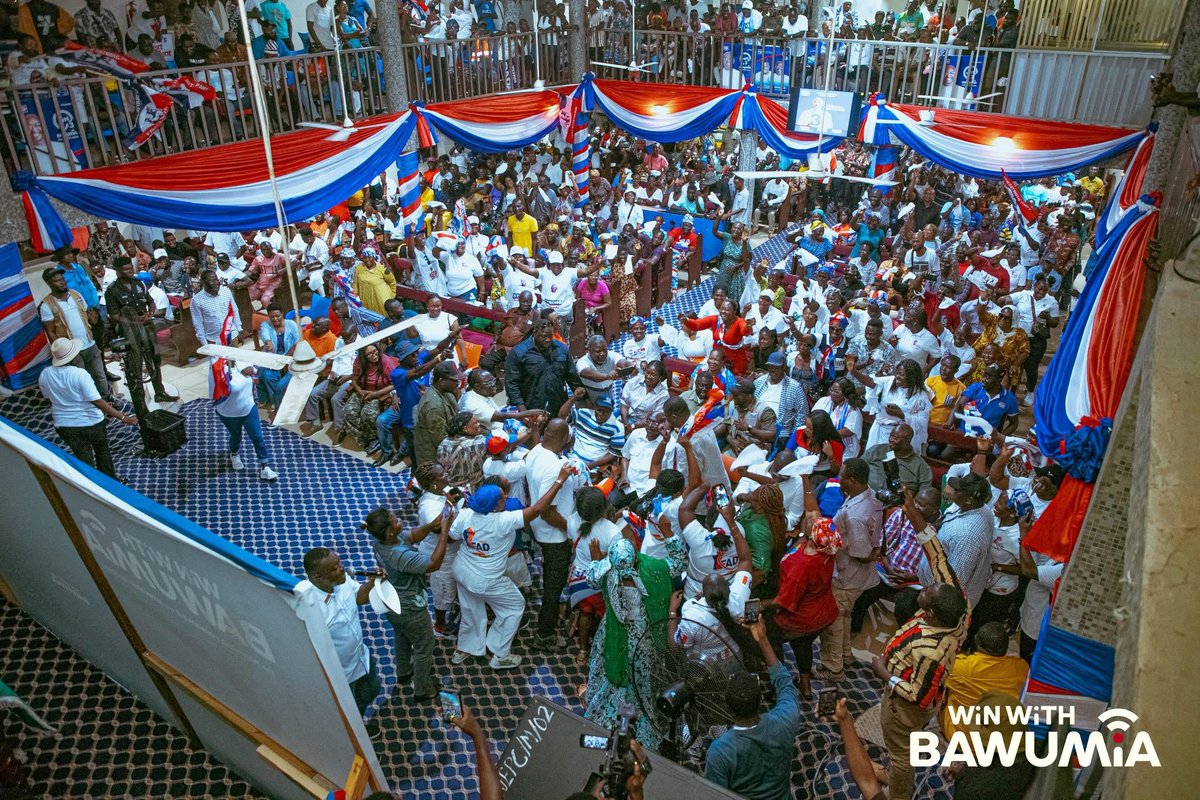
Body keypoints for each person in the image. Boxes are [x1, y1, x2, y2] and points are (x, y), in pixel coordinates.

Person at [870, 487, 971, 800]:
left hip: (905, 706)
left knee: (901, 754)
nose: (929, 586)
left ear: (929, 613)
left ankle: (898, 790)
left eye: (928, 592)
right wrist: (913, 515)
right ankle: (895, 769)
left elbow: (920, 694)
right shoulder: (958, 606)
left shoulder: (933, 651)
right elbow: (938, 556)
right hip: (908, 681)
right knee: (902, 747)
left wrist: (885, 675)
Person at [450, 470, 574, 669]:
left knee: (471, 610)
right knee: (514, 606)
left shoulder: (465, 514)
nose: (505, 498)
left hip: (461, 571)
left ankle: (465, 648)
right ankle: (500, 653)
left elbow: (453, 535)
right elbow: (538, 509)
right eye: (502, 497)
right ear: (495, 504)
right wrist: (559, 480)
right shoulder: (503, 521)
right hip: (486, 579)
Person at [583, 534, 686, 749]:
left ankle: (608, 715)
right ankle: (641, 724)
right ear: (636, 557)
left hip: (613, 632)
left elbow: (590, 577)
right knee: (642, 678)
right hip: (643, 637)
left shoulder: (606, 571)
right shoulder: (654, 570)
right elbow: (679, 561)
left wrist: (596, 559)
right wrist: (669, 534)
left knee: (610, 671)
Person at [704, 615, 802, 800]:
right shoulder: (786, 720)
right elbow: (784, 681)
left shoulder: (719, 752)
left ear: (728, 707)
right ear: (760, 701)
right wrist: (763, 640)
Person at [364, 506, 450, 701]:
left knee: (402, 636)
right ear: (389, 531)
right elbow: (433, 564)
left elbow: (410, 536)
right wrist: (443, 531)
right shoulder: (399, 556)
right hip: (410, 608)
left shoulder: (381, 539)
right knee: (424, 646)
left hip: (391, 601)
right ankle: (423, 689)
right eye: (395, 521)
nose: (399, 521)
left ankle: (403, 671)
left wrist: (432, 525)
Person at [762, 488, 841, 699]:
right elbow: (813, 512)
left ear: (814, 536)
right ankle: (806, 687)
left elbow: (783, 602)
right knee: (803, 642)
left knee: (768, 637)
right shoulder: (827, 550)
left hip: (800, 617)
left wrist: (761, 605)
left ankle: (779, 683)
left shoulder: (802, 566)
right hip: (822, 613)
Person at [815, 458, 882, 684]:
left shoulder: (857, 515)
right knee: (844, 616)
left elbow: (861, 553)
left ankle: (833, 668)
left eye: (842, 475)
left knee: (833, 620)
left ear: (852, 480)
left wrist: (871, 553)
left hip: (848, 575)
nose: (838, 478)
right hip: (854, 575)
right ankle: (845, 656)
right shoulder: (870, 496)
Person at [296, 548, 382, 724]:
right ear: (318, 577)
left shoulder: (343, 582)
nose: (342, 568)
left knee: (372, 690)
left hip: (362, 658)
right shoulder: (310, 608)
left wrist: (372, 583)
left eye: (340, 563)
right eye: (334, 568)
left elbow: (358, 597)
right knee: (347, 715)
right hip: (341, 677)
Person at [524, 417, 585, 652]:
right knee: (553, 586)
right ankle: (544, 634)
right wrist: (572, 531)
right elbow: (548, 513)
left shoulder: (537, 449)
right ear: (562, 439)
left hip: (541, 530)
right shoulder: (554, 469)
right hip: (555, 536)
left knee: (551, 581)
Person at [38, 338, 137, 480]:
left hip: (64, 426)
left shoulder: (45, 374)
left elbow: (48, 398)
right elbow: (97, 401)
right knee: (102, 452)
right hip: (91, 423)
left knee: (84, 460)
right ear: (75, 356)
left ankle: (92, 488)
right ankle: (111, 484)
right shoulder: (79, 374)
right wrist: (123, 417)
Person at [105, 257, 178, 404]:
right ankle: (140, 403)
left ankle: (160, 392)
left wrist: (149, 315)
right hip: (129, 333)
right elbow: (114, 316)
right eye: (126, 269)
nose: (130, 271)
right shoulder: (112, 291)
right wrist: (134, 322)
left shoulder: (139, 284)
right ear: (118, 272)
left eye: (130, 268)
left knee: (154, 361)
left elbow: (150, 302)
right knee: (135, 367)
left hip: (147, 328)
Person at [938, 621, 1029, 738]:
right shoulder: (1021, 667)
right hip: (999, 738)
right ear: (1006, 648)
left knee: (942, 687)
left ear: (976, 641)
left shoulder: (960, 667)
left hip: (962, 737)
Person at [38, 267, 110, 400]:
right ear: (49, 283)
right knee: (83, 381)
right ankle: (92, 406)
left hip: (89, 343)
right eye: (57, 281)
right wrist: (63, 353)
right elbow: (50, 332)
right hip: (72, 350)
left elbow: (87, 315)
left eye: (62, 279)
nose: (62, 282)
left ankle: (107, 400)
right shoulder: (46, 305)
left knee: (100, 375)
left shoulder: (76, 295)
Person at [505, 318, 582, 414]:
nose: (548, 340)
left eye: (551, 336)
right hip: (531, 407)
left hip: (558, 406)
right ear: (535, 332)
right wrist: (523, 413)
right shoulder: (519, 352)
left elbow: (572, 376)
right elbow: (512, 384)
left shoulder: (561, 349)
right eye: (544, 336)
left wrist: (583, 398)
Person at [342, 343, 398, 451]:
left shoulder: (386, 361)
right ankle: (365, 438)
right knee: (348, 411)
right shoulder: (359, 361)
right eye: (369, 354)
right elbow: (354, 379)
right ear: (364, 356)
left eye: (375, 351)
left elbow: (395, 384)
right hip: (363, 391)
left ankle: (374, 438)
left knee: (367, 413)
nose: (373, 355)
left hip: (380, 393)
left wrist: (375, 394)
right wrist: (360, 391)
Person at [413, 360, 461, 466]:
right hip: (434, 459)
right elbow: (441, 440)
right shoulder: (434, 406)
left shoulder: (447, 394)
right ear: (442, 381)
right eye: (454, 381)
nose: (457, 384)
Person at [862, 423, 932, 493]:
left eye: (895, 438)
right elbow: (857, 469)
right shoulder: (877, 450)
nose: (890, 440)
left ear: (907, 441)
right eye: (890, 436)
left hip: (898, 500)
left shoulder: (921, 465)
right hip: (866, 494)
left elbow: (924, 493)